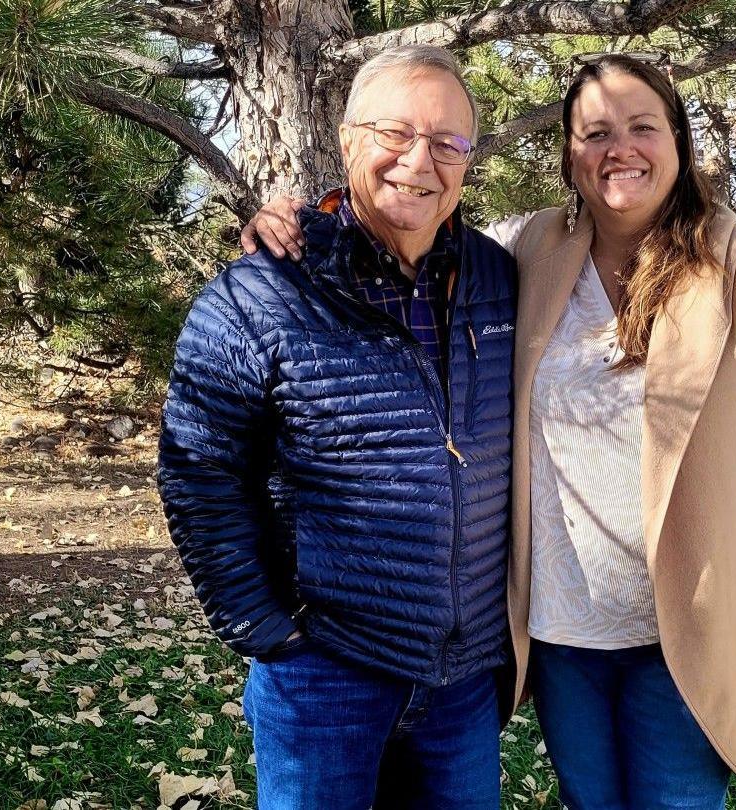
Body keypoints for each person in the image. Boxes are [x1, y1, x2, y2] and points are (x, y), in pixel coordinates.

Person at [244, 53, 736, 808]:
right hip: (562, 630)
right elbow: (407, 227)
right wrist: (308, 221)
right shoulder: (528, 247)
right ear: (569, 155)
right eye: (595, 133)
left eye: (642, 127)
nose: (620, 148)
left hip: (690, 623)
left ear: (678, 143)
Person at [158, 45, 517, 810]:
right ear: (349, 139)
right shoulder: (260, 294)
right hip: (326, 673)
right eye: (396, 132)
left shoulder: (504, 279)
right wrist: (266, 631)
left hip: (465, 681)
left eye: (448, 142)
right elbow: (200, 473)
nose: (420, 161)